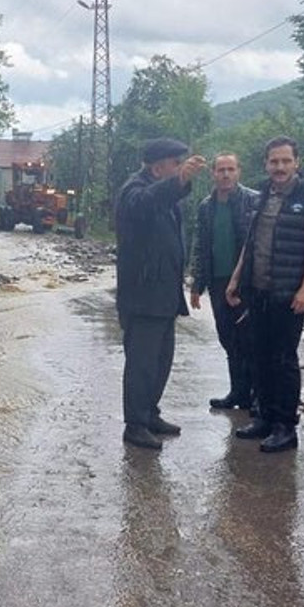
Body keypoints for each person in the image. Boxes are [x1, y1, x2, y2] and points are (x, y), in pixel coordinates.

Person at [225, 136, 304, 453]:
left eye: (286, 161)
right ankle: (264, 418)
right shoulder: (261, 196)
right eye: (274, 161)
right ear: (266, 164)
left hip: (289, 293)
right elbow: (250, 243)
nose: (280, 167)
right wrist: (236, 278)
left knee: (284, 360)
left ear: (297, 163)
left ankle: (285, 427)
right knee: (260, 356)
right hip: (258, 290)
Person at [116, 138, 208, 450]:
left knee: (161, 361)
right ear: (157, 169)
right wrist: (179, 180)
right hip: (143, 297)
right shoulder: (134, 191)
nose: (180, 169)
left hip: (164, 295)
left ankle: (149, 414)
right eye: (175, 164)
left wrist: (178, 181)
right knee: (141, 364)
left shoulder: (162, 194)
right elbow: (144, 203)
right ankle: (135, 425)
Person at [189, 152, 259, 410]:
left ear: (239, 171)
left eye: (231, 169)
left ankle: (256, 397)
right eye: (221, 170)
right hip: (217, 280)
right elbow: (201, 246)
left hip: (246, 282)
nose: (226, 174)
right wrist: (196, 285)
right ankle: (238, 392)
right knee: (228, 338)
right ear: (213, 173)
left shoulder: (253, 200)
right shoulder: (206, 206)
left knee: (250, 339)